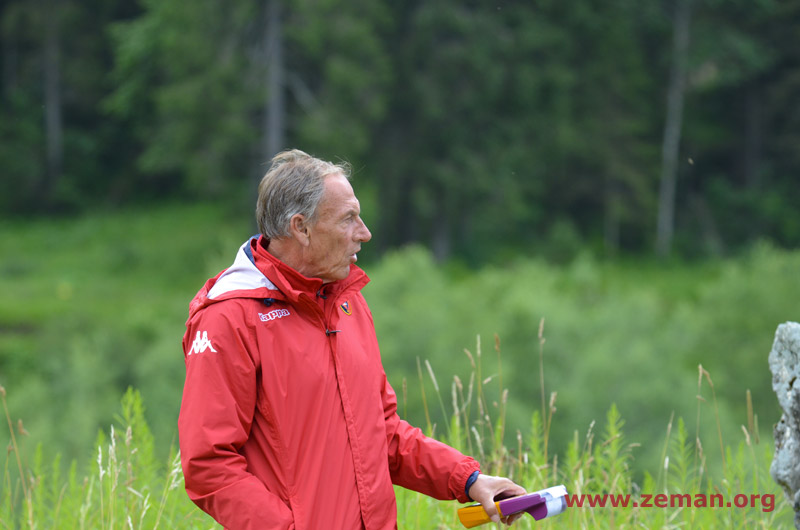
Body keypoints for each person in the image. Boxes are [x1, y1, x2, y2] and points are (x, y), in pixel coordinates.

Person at [178, 149, 526, 529]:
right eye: (349, 219)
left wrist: (469, 480)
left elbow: (383, 433)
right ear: (301, 228)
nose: (365, 233)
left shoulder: (348, 302)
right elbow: (209, 466)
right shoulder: (228, 318)